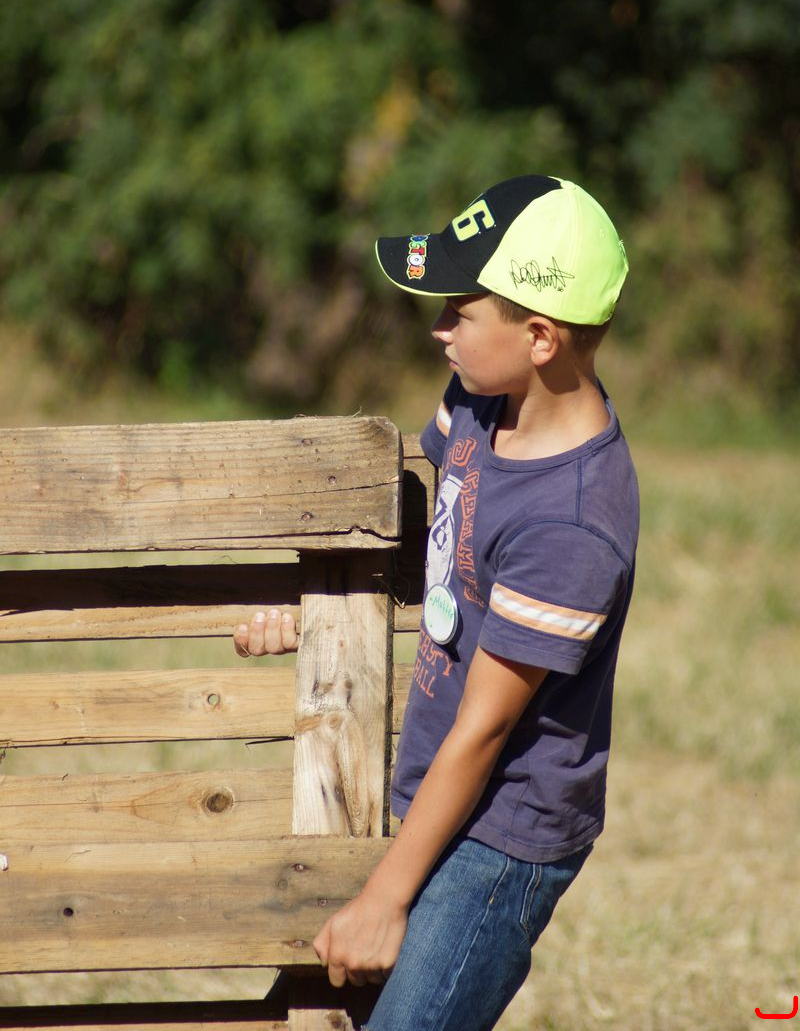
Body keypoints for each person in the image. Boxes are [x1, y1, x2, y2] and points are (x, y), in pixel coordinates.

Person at [234, 175, 639, 1031]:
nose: (438, 327)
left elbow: (485, 731)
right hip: (437, 791)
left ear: (539, 336)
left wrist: (385, 899)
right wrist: (322, 622)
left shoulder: (570, 525)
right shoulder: (478, 406)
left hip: (498, 839)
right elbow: (443, 557)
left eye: (461, 310)